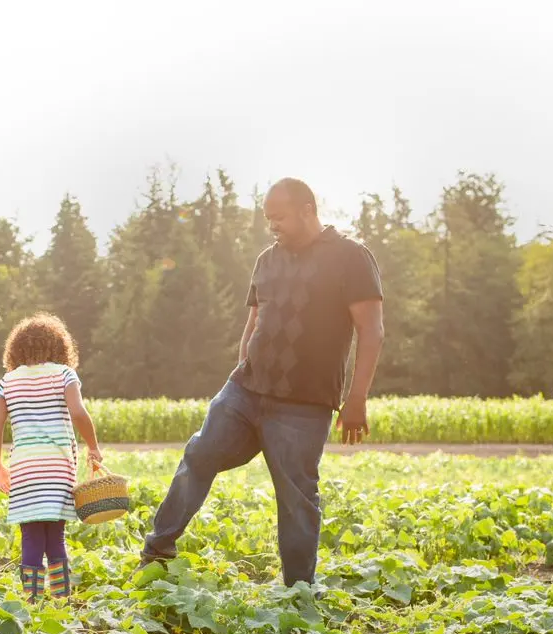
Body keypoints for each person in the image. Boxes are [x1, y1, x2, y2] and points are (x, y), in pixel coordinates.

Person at [140, 177, 385, 586]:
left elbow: (372, 330)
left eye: (280, 217)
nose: (273, 225)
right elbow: (253, 323)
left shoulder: (351, 257)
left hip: (304, 403)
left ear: (308, 209)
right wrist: (239, 374)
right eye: (268, 218)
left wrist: (357, 397)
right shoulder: (267, 260)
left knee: (296, 498)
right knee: (200, 455)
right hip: (245, 390)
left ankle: (298, 592)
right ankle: (157, 550)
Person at [0, 314, 103, 603]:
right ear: (59, 347)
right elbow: (78, 413)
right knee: (56, 536)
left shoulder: (7, 382)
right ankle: (62, 600)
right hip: (58, 468)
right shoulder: (64, 374)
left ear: (16, 350)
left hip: (24, 469)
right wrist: (93, 446)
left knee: (31, 535)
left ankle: (32, 601)